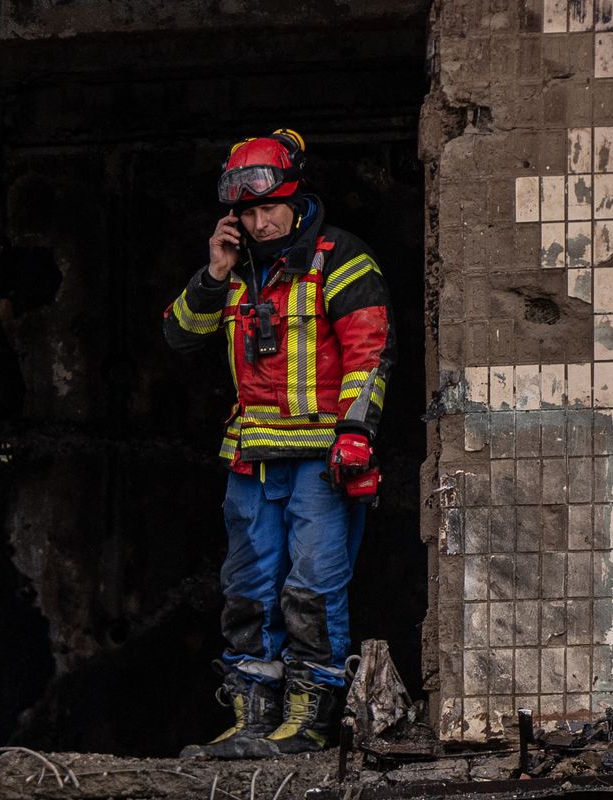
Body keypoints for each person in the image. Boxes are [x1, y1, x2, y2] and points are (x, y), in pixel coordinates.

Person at [163, 129, 395, 759]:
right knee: (247, 588)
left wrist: (356, 434)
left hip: (322, 459)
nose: (261, 223)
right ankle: (253, 719)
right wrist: (215, 271)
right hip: (251, 460)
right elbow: (180, 334)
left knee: (312, 588)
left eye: (270, 209)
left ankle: (309, 720)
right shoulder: (235, 269)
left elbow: (370, 353)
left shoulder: (341, 258)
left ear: (295, 199)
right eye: (248, 214)